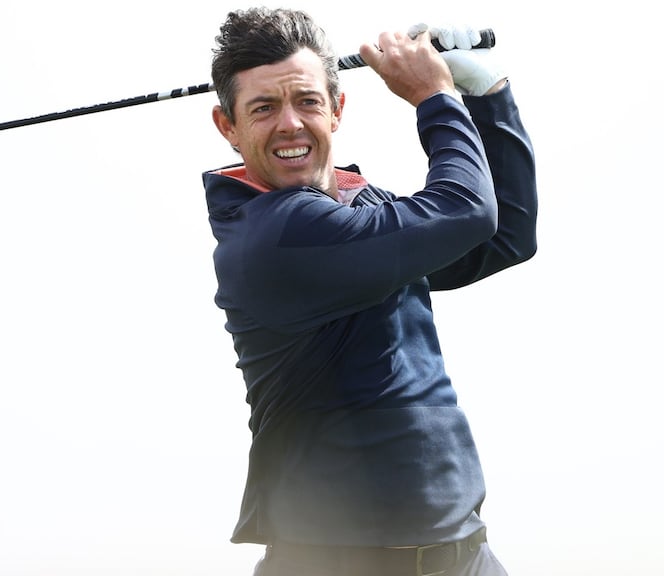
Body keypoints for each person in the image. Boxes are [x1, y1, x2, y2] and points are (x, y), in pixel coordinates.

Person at [203, 8, 537, 576]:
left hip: (465, 555)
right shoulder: (273, 234)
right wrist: (435, 96)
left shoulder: (359, 211)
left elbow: (504, 233)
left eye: (307, 101)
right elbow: (466, 211)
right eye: (263, 108)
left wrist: (489, 94)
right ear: (227, 126)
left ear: (336, 110)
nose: (289, 124)